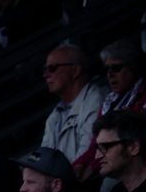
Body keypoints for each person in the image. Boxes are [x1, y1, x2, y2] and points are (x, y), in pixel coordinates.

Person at [36, 45, 104, 176]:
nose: (45, 75)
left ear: (75, 71)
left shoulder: (96, 100)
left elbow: (85, 156)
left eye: (52, 68)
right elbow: (43, 158)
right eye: (45, 69)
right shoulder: (56, 113)